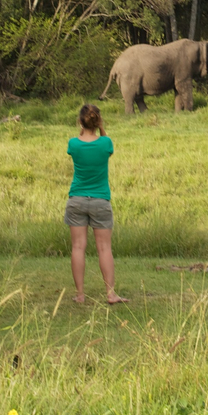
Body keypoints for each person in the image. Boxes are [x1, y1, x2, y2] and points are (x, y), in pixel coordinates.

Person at [65, 103, 127, 305]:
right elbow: (106, 143)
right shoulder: (106, 143)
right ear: (98, 121)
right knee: (104, 248)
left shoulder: (73, 144)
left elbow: (78, 143)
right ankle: (110, 294)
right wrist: (101, 128)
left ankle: (80, 294)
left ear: (80, 122)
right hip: (100, 200)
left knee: (78, 247)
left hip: (77, 200)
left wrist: (84, 129)